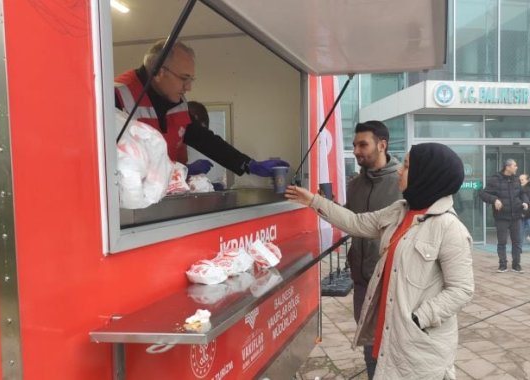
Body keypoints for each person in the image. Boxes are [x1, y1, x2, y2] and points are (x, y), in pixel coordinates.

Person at [285, 143, 474, 379]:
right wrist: (314, 201)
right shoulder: (400, 210)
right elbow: (356, 223)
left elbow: (462, 289)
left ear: (427, 175)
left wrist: (418, 318)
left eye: (406, 166)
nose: (399, 170)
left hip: (418, 344)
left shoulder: (449, 228)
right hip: (386, 331)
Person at [115, 39, 287, 177]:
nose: (188, 88)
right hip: (130, 205)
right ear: (160, 72)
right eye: (184, 78)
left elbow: (203, 138)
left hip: (163, 195)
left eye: (191, 79)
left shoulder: (176, 100)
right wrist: (183, 170)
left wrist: (246, 163)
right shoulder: (117, 97)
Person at [343, 120, 400, 379]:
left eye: (362, 144)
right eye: (354, 145)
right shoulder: (354, 185)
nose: (356, 150)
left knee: (396, 349)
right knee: (370, 348)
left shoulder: (403, 182)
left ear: (382, 145)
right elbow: (350, 221)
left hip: (393, 283)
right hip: (363, 283)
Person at [479, 159, 529, 273]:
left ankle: (516, 265)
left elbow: (522, 193)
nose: (516, 168)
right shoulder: (495, 179)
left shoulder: (516, 180)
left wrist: (525, 202)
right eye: (514, 166)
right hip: (501, 217)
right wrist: (494, 199)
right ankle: (502, 265)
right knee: (502, 242)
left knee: (517, 242)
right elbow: (483, 193)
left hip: (516, 216)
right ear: (507, 167)